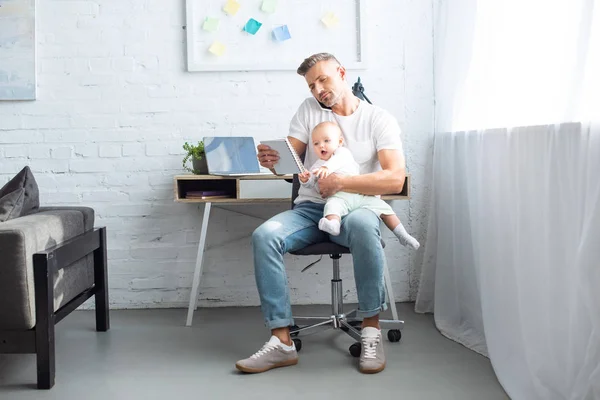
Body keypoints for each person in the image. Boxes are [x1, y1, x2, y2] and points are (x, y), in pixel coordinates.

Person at [235, 53, 409, 375]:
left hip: (355, 206)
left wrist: (343, 181)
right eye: (312, 85)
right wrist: (272, 161)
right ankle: (282, 342)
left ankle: (371, 331)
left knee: (362, 225)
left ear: (342, 73)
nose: (318, 90)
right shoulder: (308, 110)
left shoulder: (377, 119)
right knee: (265, 236)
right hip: (310, 210)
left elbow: (395, 178)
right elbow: (289, 164)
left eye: (323, 80)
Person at [299, 121, 420, 249]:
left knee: (385, 209)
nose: (321, 145)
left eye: (326, 141)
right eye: (316, 143)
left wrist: (326, 168)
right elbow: (311, 182)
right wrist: (306, 179)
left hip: (360, 194)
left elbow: (337, 161)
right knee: (331, 206)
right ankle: (333, 225)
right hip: (340, 198)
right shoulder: (318, 164)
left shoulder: (342, 153)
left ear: (339, 142)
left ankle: (402, 234)